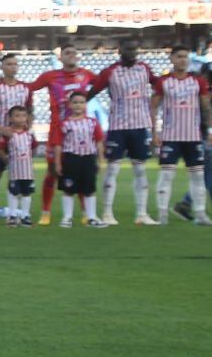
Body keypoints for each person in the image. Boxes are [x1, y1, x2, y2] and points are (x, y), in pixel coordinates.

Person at [88, 40, 156, 225]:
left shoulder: (145, 69)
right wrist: (75, 109)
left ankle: (142, 214)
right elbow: (92, 91)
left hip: (140, 127)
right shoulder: (111, 71)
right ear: (120, 51)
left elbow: (160, 86)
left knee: (141, 170)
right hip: (118, 127)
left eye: (134, 49)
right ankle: (108, 213)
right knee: (112, 170)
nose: (132, 52)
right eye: (128, 49)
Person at [28, 43, 97, 226]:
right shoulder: (50, 76)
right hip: (57, 132)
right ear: (61, 57)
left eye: (74, 52)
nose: (71, 55)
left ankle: (85, 213)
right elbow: (30, 87)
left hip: (80, 133)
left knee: (82, 173)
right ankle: (45, 212)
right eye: (67, 53)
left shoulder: (86, 75)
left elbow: (103, 84)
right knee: (52, 173)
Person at [150, 46, 212, 226]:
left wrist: (210, 131)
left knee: (197, 176)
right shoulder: (164, 82)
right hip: (171, 137)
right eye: (179, 57)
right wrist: (154, 132)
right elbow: (153, 106)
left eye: (185, 57)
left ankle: (200, 214)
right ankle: (162, 214)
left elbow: (206, 107)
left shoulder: (198, 81)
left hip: (193, 136)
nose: (183, 60)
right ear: (172, 59)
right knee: (166, 176)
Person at [174, 44, 212, 222]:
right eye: (206, 73)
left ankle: (188, 205)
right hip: (204, 136)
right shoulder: (197, 92)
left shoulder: (208, 91)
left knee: (209, 177)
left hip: (210, 136)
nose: (208, 77)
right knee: (211, 177)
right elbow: (201, 112)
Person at [0, 53, 33, 224]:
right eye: (9, 64)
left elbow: (30, 111)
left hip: (19, 142)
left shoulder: (25, 88)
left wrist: (27, 129)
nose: (13, 67)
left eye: (15, 64)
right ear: (2, 67)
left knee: (20, 177)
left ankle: (19, 214)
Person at [56, 91, 108, 228]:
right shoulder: (65, 123)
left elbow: (99, 141)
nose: (78, 105)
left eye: (81, 102)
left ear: (86, 105)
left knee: (89, 189)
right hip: (71, 158)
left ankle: (91, 217)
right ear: (70, 105)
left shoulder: (92, 122)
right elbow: (59, 145)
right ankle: (67, 217)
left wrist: (101, 159)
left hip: (88, 158)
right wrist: (57, 163)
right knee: (68, 189)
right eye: (75, 102)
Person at [2, 106, 37, 226]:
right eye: (17, 116)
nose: (21, 119)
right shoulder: (8, 133)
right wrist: (6, 160)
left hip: (27, 170)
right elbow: (1, 149)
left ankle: (25, 215)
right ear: (11, 118)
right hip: (14, 170)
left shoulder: (29, 133)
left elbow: (34, 147)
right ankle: (12, 215)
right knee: (14, 192)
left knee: (27, 192)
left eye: (23, 116)